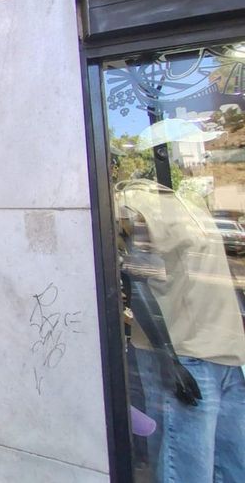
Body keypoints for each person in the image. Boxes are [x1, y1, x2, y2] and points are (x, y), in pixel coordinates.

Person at [117, 178, 245, 482]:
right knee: (188, 469)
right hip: (187, 358)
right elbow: (137, 279)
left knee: (233, 466)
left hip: (227, 355)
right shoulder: (134, 202)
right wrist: (168, 360)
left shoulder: (188, 201)